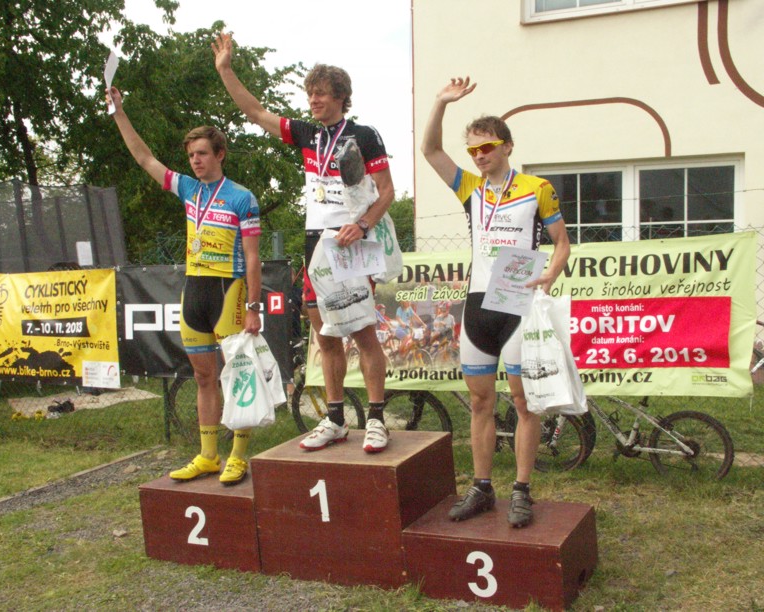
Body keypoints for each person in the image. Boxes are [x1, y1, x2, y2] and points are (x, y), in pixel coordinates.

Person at [213, 32, 394, 453]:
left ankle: (376, 418)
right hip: (316, 243)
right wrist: (225, 70)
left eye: (322, 94)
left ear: (341, 97)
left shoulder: (364, 135)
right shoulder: (308, 135)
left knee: (363, 335)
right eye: (310, 93)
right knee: (325, 337)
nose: (314, 100)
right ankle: (336, 418)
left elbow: (386, 191)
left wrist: (363, 225)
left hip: (353, 243)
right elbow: (255, 111)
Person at [421, 77, 571, 528]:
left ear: (506, 146)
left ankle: (521, 490)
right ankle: (482, 488)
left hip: (519, 304)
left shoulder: (537, 187)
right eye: (472, 150)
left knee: (525, 403)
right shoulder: (470, 187)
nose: (479, 155)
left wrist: (551, 273)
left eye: (486, 147)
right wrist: (440, 102)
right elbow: (431, 150)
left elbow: (562, 242)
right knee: (480, 401)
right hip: (479, 306)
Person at [108, 86, 262, 485]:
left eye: (202, 153)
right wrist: (119, 112)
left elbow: (253, 257)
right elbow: (144, 158)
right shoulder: (189, 189)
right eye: (191, 154)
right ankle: (208, 455)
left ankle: (238, 455)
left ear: (220, 154)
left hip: (228, 290)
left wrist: (253, 306)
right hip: (194, 290)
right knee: (203, 377)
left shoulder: (242, 198)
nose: (195, 160)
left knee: (238, 375)